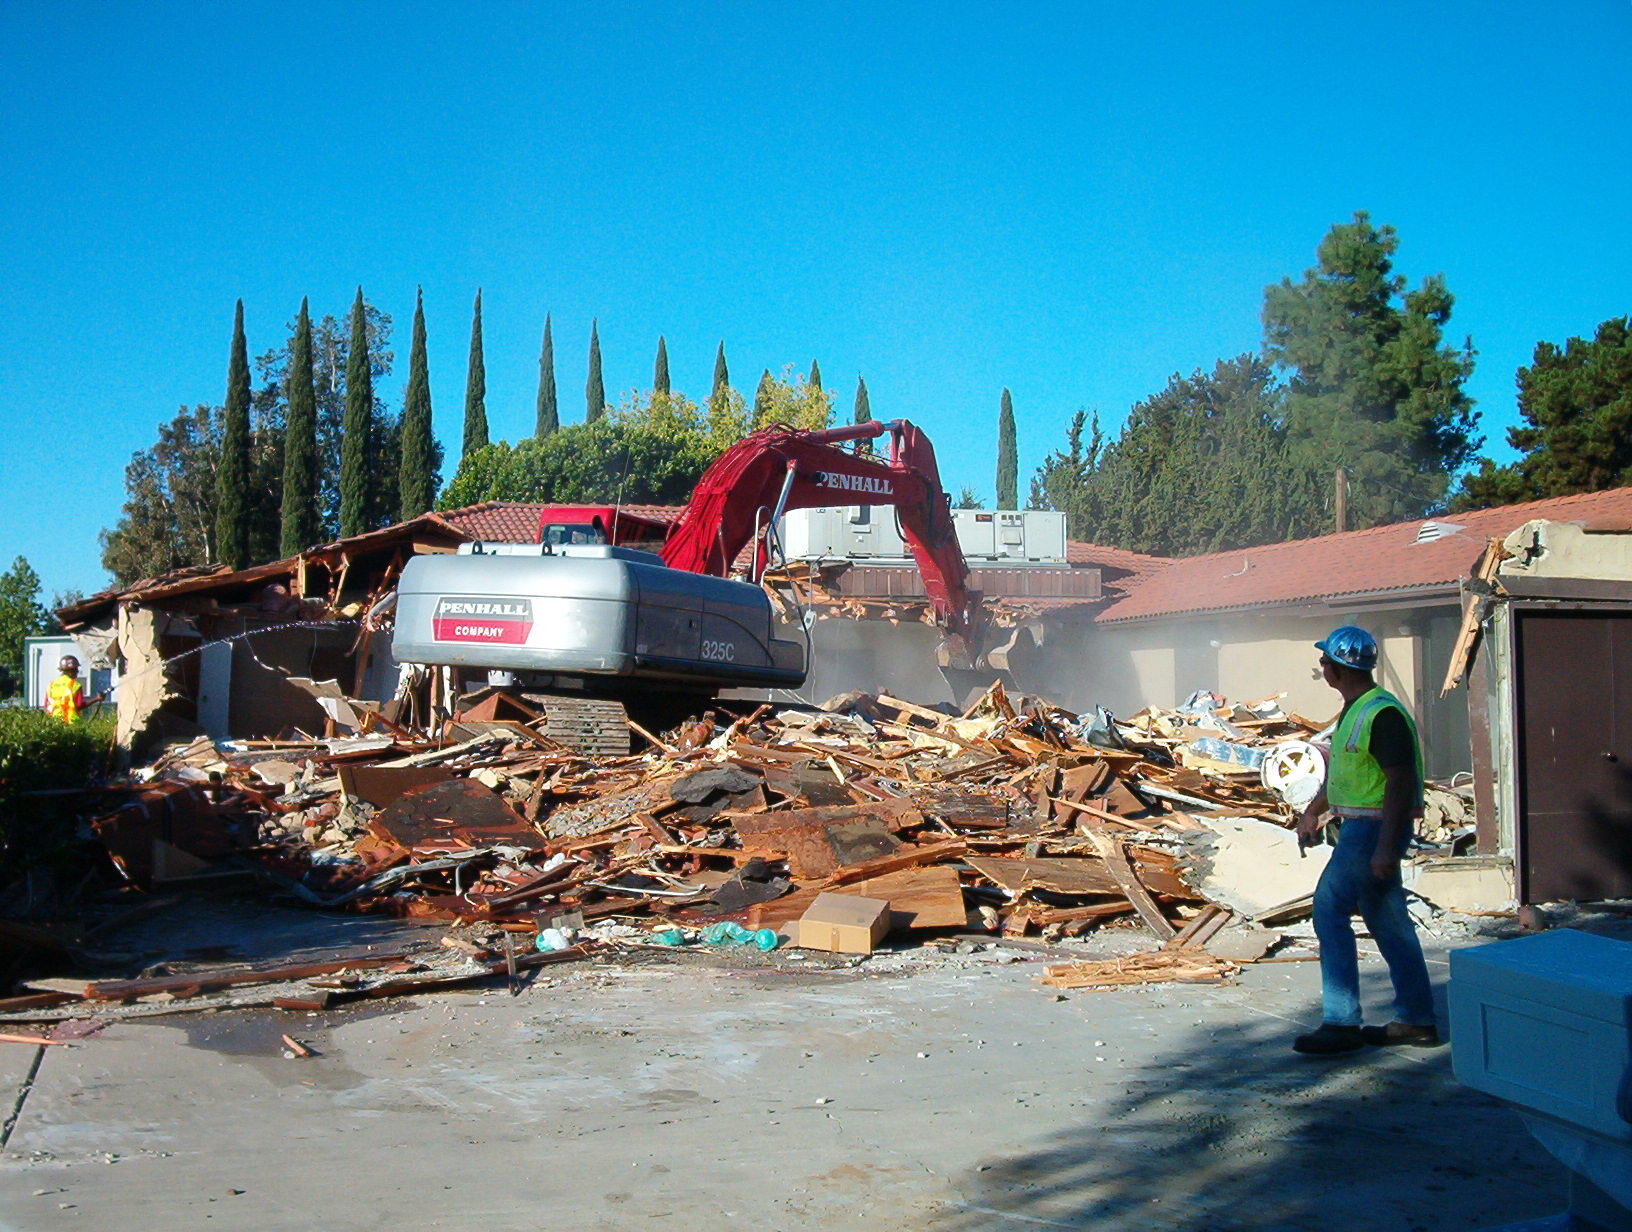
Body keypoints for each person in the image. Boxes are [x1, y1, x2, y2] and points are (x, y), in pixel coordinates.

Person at [1292, 625, 1439, 1056]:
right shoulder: (1356, 710)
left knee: (1328, 909)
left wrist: (1385, 849)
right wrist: (1313, 812)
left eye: (1325, 662)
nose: (1321, 668)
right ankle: (1416, 1020)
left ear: (1338, 668)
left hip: (1372, 831)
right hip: (1361, 828)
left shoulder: (1381, 713)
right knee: (1389, 923)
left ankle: (1341, 1023)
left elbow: (1399, 783)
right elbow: (1345, 774)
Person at [44, 655, 104, 723]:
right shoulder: (75, 685)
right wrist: (97, 699)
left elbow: (46, 705)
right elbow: (79, 705)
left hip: (53, 723)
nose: (78, 671)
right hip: (71, 723)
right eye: (76, 669)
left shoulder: (51, 685)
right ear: (71, 671)